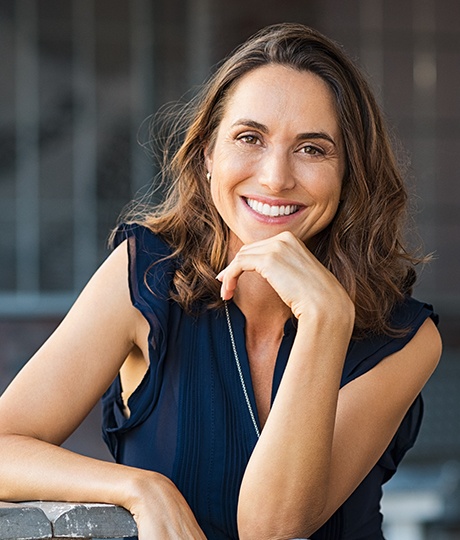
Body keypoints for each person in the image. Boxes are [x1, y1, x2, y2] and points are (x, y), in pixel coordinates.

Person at [0, 22, 441, 540]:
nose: (276, 177)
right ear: (209, 154)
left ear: (350, 173)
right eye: (249, 138)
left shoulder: (404, 338)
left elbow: (270, 528)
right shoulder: (144, 275)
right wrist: (140, 489)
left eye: (313, 149)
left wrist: (326, 319)